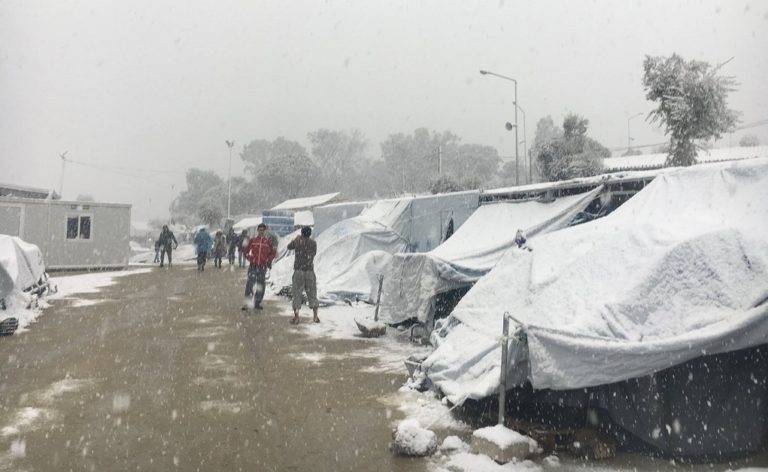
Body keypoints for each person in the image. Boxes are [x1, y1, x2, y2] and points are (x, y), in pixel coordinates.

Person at [287, 226, 319, 324]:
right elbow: (312, 254)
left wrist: (297, 239)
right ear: (309, 234)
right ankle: (315, 316)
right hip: (309, 271)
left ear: (301, 233)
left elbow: (289, 247)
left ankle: (296, 318)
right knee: (312, 293)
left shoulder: (297, 242)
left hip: (298, 271)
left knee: (297, 294)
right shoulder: (313, 243)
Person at [242, 224, 276, 311]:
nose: (261, 231)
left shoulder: (268, 242)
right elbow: (245, 251)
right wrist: (250, 258)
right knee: (249, 285)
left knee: (260, 285)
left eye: (263, 230)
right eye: (260, 230)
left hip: (262, 267)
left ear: (265, 231)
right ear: (257, 230)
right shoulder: (253, 240)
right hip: (253, 266)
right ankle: (247, 303)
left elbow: (273, 253)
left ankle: (257, 302)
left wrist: (268, 260)